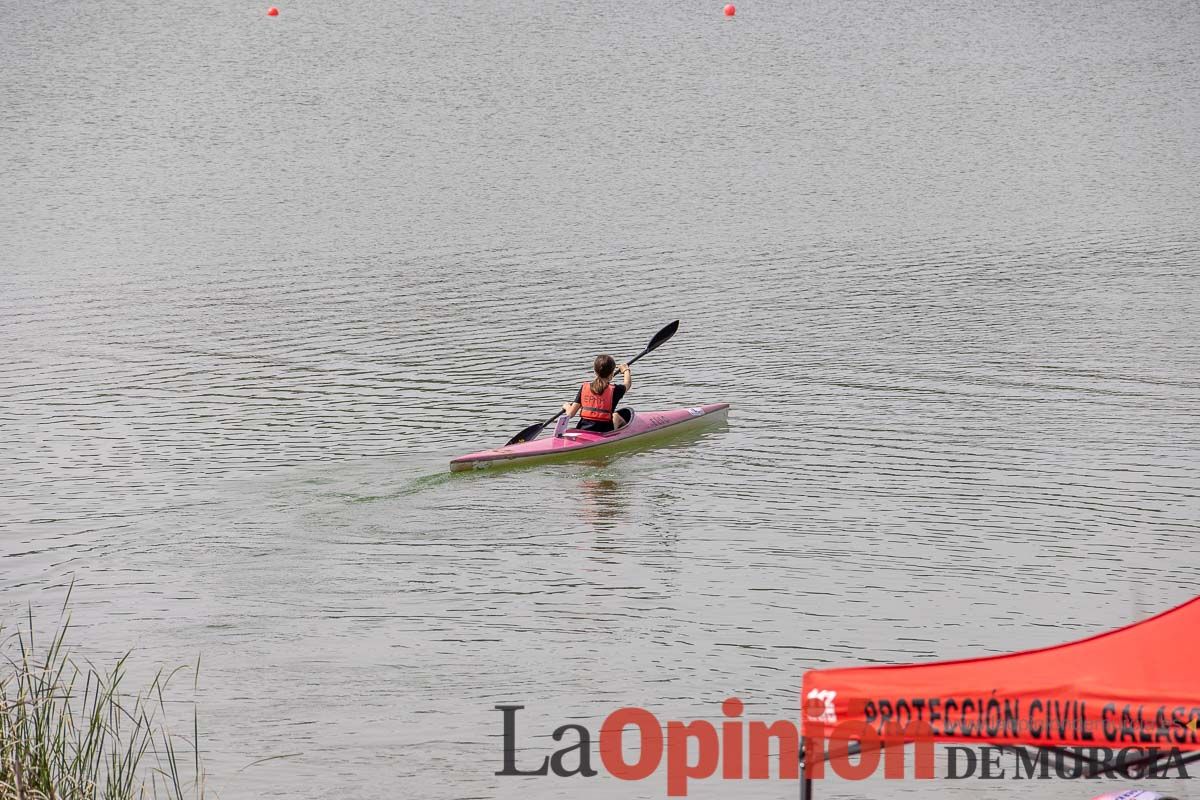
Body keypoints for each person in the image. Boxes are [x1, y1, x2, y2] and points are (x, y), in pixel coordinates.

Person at [560, 355, 631, 433]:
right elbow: (627, 384)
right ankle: (625, 433)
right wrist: (626, 370)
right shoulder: (616, 390)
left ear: (595, 372)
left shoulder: (584, 388)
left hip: (583, 429)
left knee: (615, 416)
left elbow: (570, 414)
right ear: (611, 375)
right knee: (619, 416)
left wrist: (566, 406)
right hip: (604, 431)